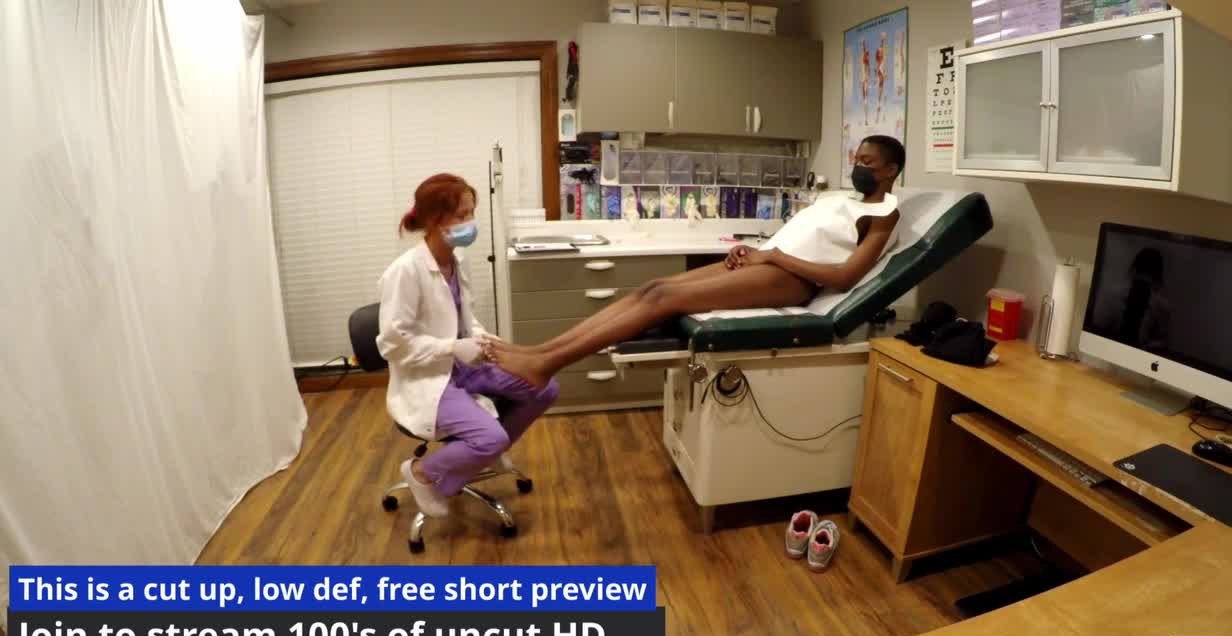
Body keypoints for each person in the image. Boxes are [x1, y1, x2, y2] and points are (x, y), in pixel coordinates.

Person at [487, 136, 906, 389]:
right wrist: (755, 249)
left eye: (867, 163)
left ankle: (545, 366)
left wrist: (773, 255)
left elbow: (845, 276)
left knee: (663, 299)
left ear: (890, 170)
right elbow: (803, 237)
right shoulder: (839, 200)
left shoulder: (885, 213)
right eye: (856, 159)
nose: (858, 167)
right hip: (766, 263)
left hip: (792, 281)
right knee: (653, 288)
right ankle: (539, 351)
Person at [377, 173, 559, 518]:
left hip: (464, 366)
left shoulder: (457, 259)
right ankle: (421, 472)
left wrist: (483, 338)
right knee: (491, 437)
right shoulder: (405, 272)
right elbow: (393, 346)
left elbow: (464, 315)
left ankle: (482, 455)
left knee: (544, 386)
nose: (470, 222)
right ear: (435, 219)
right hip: (429, 377)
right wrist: (452, 348)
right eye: (462, 215)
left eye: (472, 213)